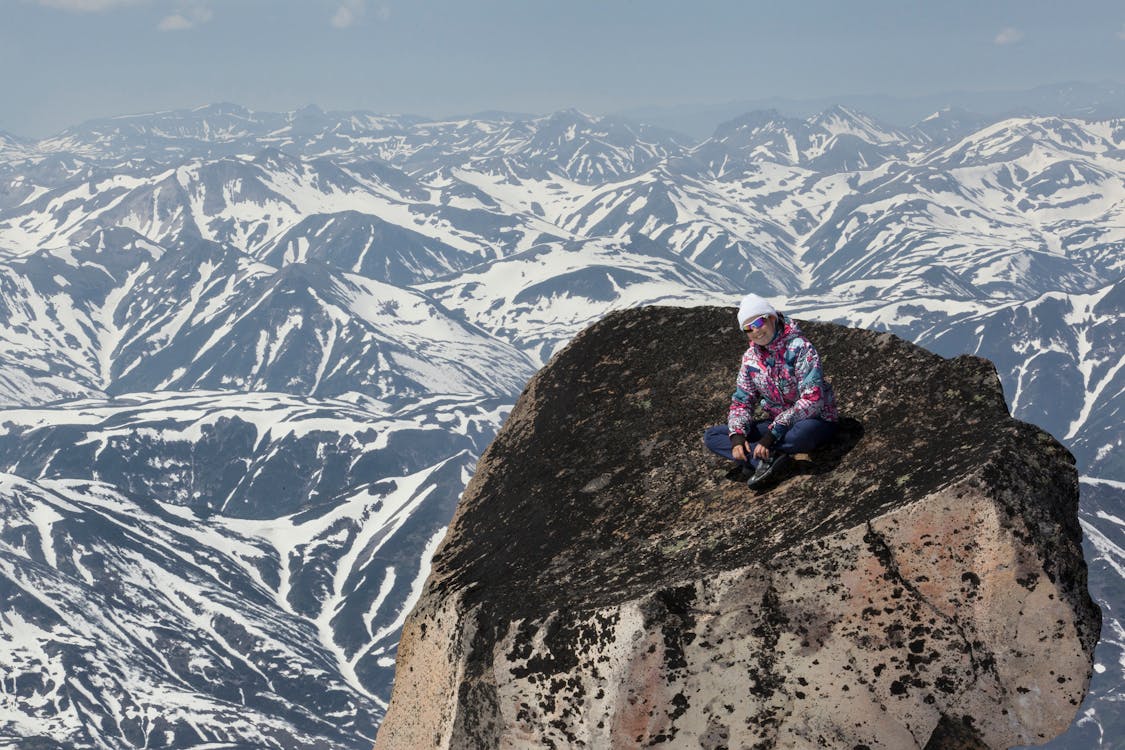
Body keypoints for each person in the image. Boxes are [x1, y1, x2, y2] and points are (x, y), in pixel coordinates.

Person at [703, 293, 839, 488]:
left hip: (814, 421)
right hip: (776, 425)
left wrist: (772, 434)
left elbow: (813, 400)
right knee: (713, 436)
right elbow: (742, 401)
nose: (756, 332)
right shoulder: (750, 359)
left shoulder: (800, 348)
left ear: (772, 318)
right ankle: (763, 459)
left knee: (801, 435)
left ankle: (761, 457)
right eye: (748, 328)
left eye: (758, 323)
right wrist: (737, 436)